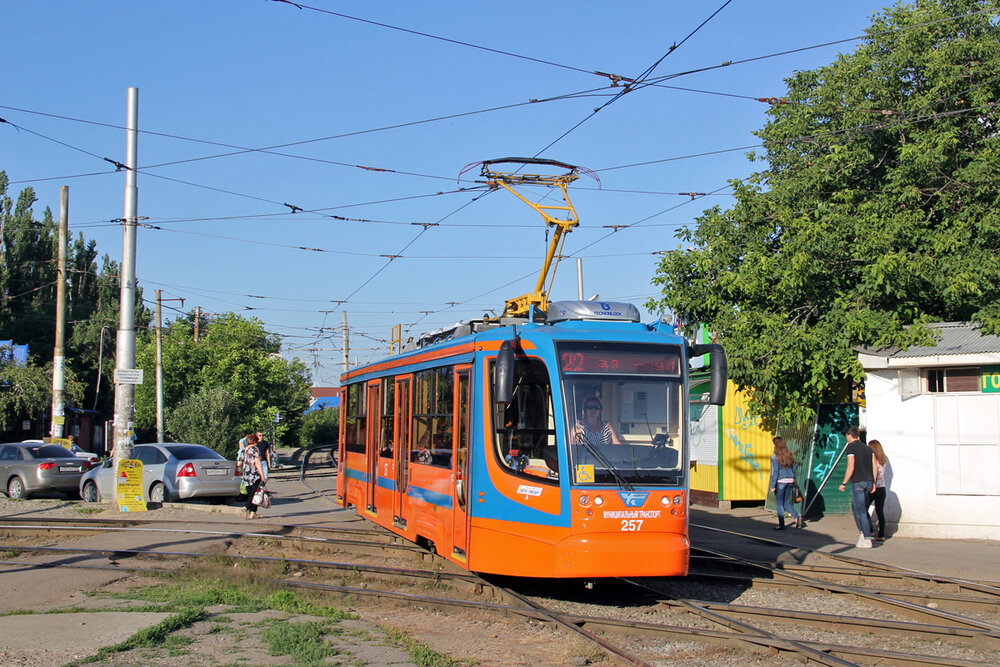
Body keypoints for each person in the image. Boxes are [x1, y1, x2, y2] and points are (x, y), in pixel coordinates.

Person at [838, 427, 875, 548]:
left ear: (849, 435)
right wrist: (873, 482)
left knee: (861, 511)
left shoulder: (851, 447)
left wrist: (844, 483)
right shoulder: (868, 448)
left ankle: (866, 537)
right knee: (856, 507)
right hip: (868, 481)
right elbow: (874, 466)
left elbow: (851, 467)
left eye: (846, 436)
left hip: (858, 482)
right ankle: (863, 533)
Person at [768, 436, 802, 530]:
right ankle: (796, 516)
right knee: (784, 501)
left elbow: (775, 472)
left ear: (775, 445)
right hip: (790, 480)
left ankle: (781, 524)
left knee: (779, 503)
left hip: (780, 482)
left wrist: (773, 485)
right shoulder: (789, 454)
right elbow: (794, 468)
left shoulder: (775, 457)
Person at [866, 439, 889, 542]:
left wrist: (872, 484)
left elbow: (874, 473)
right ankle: (881, 534)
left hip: (873, 487)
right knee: (880, 511)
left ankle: (870, 530)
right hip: (882, 488)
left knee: (863, 508)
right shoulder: (883, 460)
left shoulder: (873, 459)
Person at [241, 433, 266, 519]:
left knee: (252, 493)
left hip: (246, 475)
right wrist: (262, 475)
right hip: (255, 474)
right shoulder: (255, 449)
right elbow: (258, 463)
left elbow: (240, 462)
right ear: (255, 441)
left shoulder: (244, 450)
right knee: (255, 493)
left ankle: (253, 513)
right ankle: (246, 506)